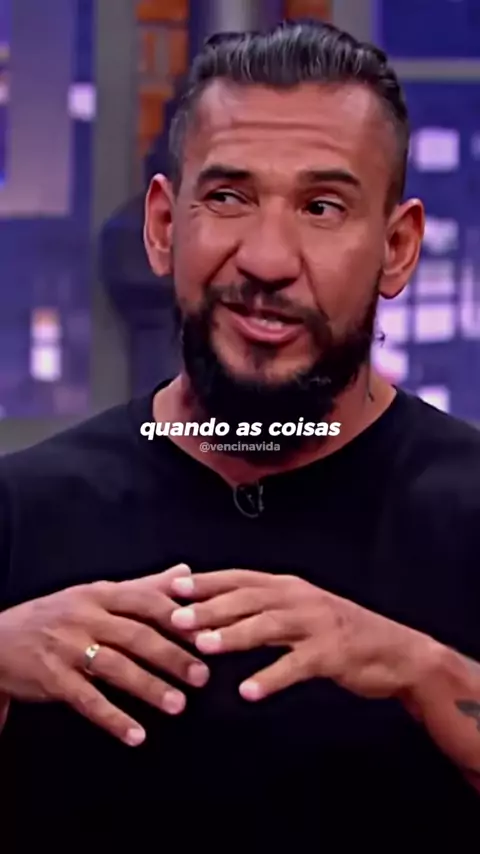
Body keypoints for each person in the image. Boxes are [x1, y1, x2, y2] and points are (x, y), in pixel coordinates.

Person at [0, 19, 479, 849]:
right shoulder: (22, 511)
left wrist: (418, 670)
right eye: (228, 197)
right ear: (163, 226)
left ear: (398, 249)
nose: (266, 259)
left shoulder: (468, 513)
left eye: (322, 207)